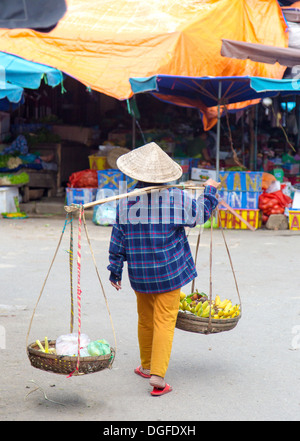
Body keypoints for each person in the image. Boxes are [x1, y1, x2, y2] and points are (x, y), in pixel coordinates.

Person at [107, 142, 219, 396]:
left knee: (146, 320)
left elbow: (118, 239)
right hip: (169, 273)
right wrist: (209, 193)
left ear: (135, 175)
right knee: (164, 321)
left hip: (140, 274)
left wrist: (115, 269)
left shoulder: (125, 202)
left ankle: (147, 367)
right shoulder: (177, 198)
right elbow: (200, 215)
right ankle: (157, 375)